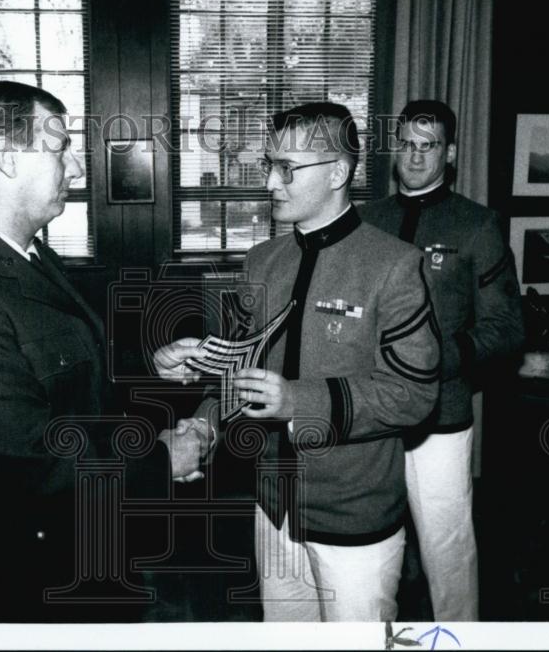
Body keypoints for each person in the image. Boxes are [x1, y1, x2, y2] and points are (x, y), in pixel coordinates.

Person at [0, 81, 205, 623]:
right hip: (32, 572)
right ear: (6, 155)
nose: (76, 169)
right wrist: (161, 460)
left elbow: (64, 370)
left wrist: (149, 365)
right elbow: (27, 458)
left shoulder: (26, 256)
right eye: (61, 146)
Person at [154, 102, 440, 622]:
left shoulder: (395, 265)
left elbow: (415, 394)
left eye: (287, 168)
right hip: (272, 505)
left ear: (338, 173)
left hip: (353, 516)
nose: (269, 182)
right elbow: (240, 370)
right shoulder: (263, 259)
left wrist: (296, 400)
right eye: (269, 164)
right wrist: (201, 419)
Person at [360, 99, 524, 621]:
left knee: (446, 547)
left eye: (427, 145)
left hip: (441, 416)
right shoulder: (365, 221)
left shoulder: (477, 225)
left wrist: (436, 358)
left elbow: (505, 328)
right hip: (371, 414)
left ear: (449, 153)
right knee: (370, 547)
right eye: (406, 143)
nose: (414, 155)